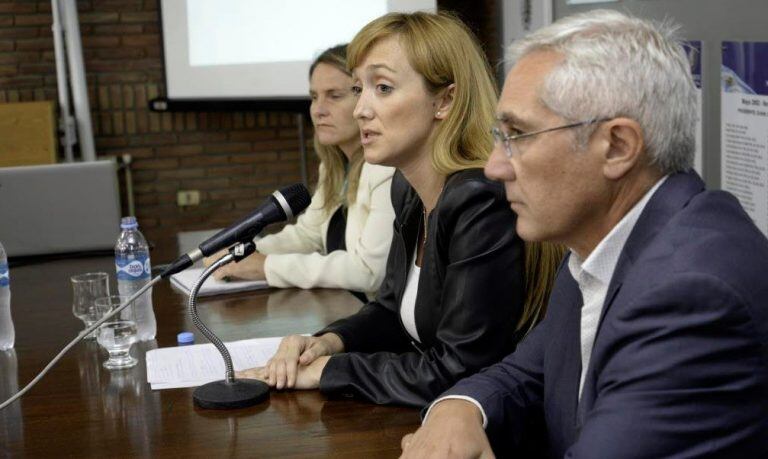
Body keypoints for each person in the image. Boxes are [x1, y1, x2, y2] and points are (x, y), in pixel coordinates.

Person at [400, 9, 768, 458]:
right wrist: (457, 408)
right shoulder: (602, 240)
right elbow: (527, 372)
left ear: (617, 146)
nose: (494, 167)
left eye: (517, 134)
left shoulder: (691, 292)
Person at [237, 12, 565, 407]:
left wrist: (330, 372)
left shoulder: (479, 200)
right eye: (359, 89)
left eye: (384, 88)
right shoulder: (408, 188)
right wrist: (326, 342)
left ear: (445, 100)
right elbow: (391, 309)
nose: (361, 109)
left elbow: (460, 369)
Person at [205, 45, 395, 301]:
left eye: (334, 96)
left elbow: (368, 272)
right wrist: (239, 255)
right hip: (346, 310)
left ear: (365, 100)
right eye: (314, 97)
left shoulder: (387, 168)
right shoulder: (334, 164)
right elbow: (308, 235)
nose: (318, 110)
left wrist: (265, 266)